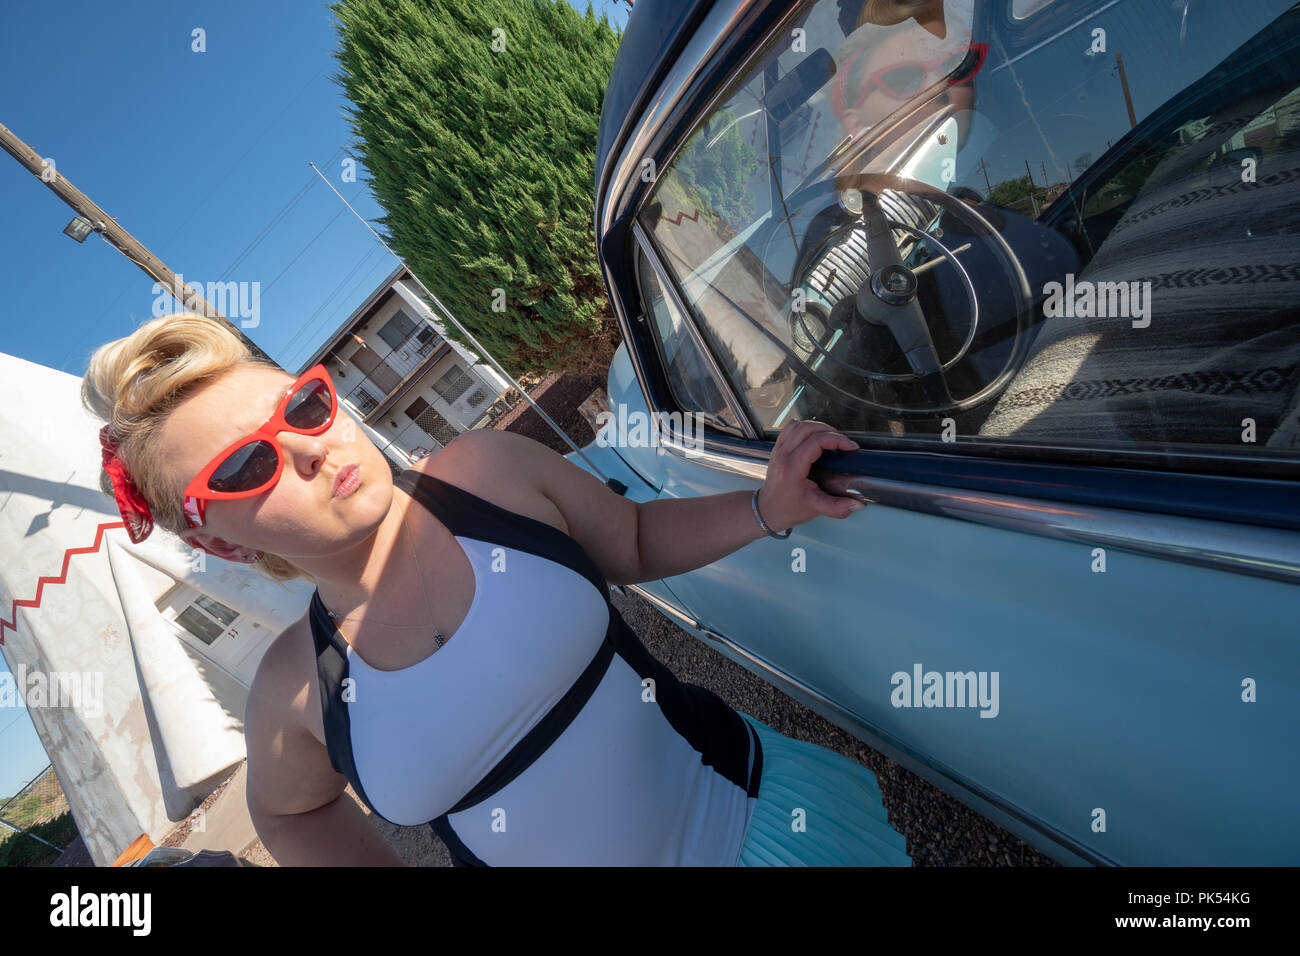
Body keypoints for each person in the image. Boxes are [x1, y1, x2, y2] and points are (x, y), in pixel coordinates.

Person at [82, 313, 912, 867]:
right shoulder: (294, 691)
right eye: (245, 463)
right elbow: (289, 814)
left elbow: (631, 540)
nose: (304, 447)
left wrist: (766, 507)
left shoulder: (483, 475)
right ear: (217, 537)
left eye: (302, 405)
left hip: (759, 834)